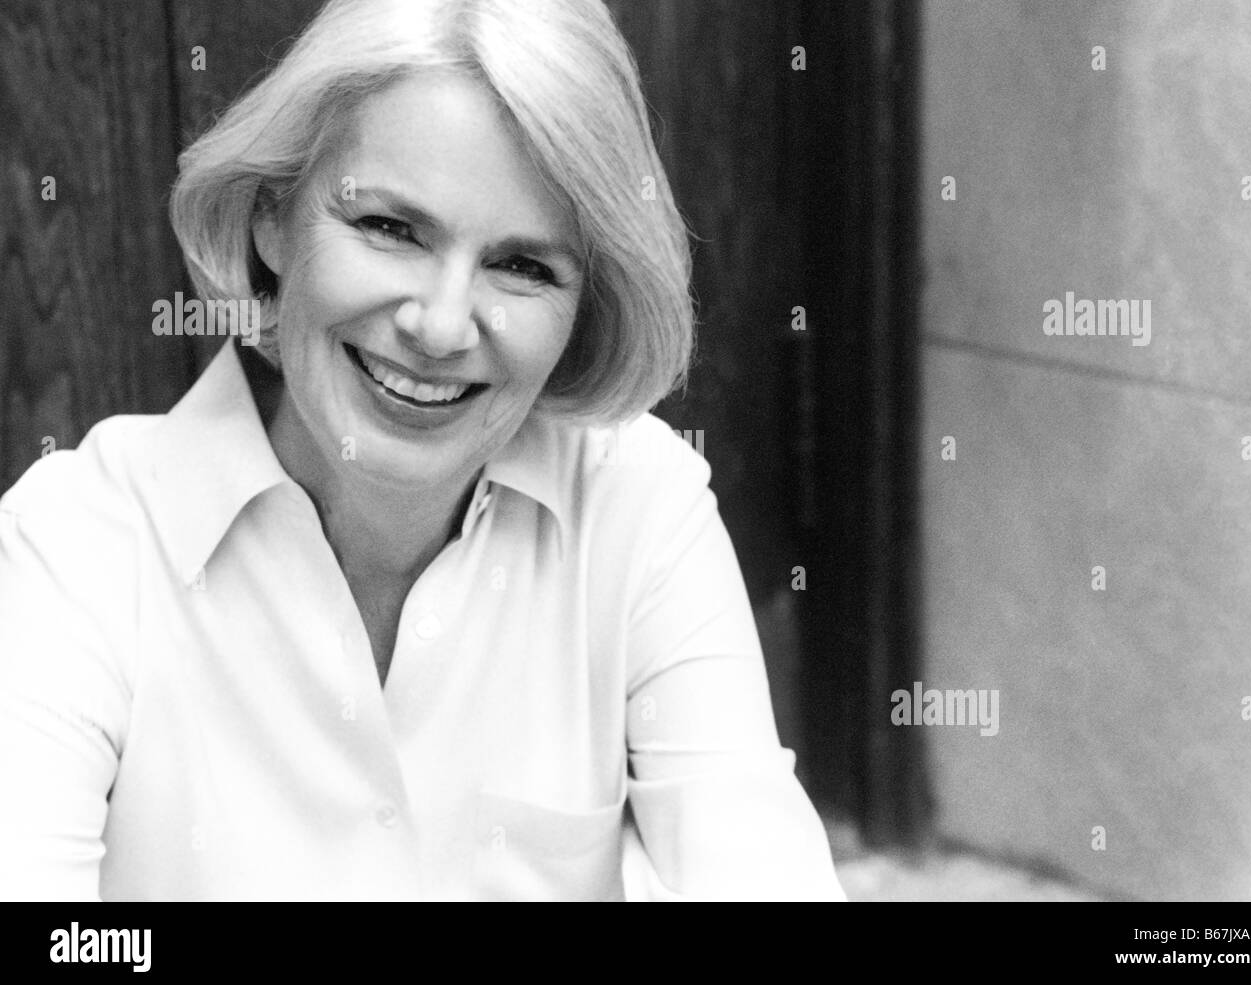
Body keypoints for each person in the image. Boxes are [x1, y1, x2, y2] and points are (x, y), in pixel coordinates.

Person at [0, 0, 844, 901]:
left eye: (523, 267)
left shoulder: (640, 509)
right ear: (272, 223)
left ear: (582, 308)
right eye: (391, 229)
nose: (441, 326)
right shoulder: (76, 550)